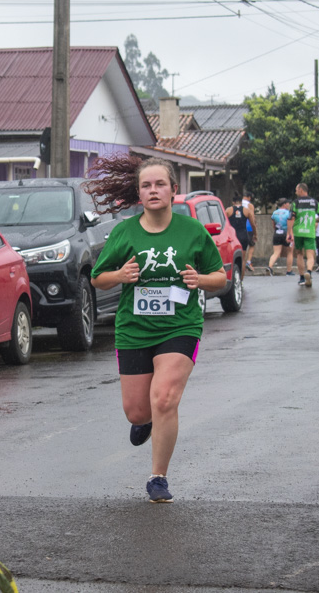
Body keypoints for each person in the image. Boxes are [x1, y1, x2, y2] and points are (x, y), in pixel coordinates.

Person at [85, 155, 226, 503]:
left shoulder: (192, 231)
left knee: (164, 397)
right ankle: (145, 420)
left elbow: (221, 278)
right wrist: (120, 276)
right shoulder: (125, 232)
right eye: (146, 185)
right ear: (138, 193)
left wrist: (200, 280)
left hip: (180, 326)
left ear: (174, 190)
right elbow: (97, 278)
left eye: (160, 184)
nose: (153, 190)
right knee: (137, 410)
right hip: (134, 329)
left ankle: (158, 477)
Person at [286, 183, 319, 288]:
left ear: (301, 190)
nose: (295, 192)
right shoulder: (315, 202)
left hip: (298, 232)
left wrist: (289, 233)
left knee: (299, 254)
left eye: (296, 190)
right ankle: (309, 272)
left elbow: (291, 218)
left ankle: (302, 278)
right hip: (310, 232)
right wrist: (313, 221)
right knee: (310, 255)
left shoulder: (295, 203)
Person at [225, 192, 256, 271]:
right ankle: (240, 281)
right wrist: (255, 234)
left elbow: (223, 222)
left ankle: (232, 277)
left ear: (233, 202)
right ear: (241, 202)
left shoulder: (228, 210)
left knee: (231, 257)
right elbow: (253, 224)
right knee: (242, 259)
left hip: (232, 236)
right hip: (243, 235)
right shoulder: (246, 211)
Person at [267, 198, 292, 276]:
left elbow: (273, 224)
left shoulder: (274, 213)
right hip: (287, 233)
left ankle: (270, 267)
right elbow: (290, 224)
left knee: (276, 252)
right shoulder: (289, 213)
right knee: (289, 252)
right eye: (288, 203)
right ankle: (289, 271)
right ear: (284, 204)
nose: (289, 205)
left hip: (277, 233)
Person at [242, 192, 257, 271]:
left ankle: (242, 262)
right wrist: (255, 229)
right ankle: (248, 262)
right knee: (251, 244)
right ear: (249, 197)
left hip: (239, 228)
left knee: (241, 246)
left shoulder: (237, 204)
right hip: (249, 227)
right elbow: (252, 217)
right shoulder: (249, 205)